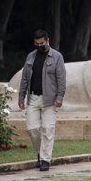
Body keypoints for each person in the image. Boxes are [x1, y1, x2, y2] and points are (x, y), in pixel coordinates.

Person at [17, 30, 66, 172]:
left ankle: (45, 160)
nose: (40, 46)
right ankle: (41, 152)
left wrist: (60, 97)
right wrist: (21, 96)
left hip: (50, 99)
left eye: (42, 43)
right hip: (33, 98)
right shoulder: (30, 57)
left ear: (47, 41)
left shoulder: (57, 57)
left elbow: (61, 79)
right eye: (37, 44)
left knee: (48, 129)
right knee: (32, 129)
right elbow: (25, 79)